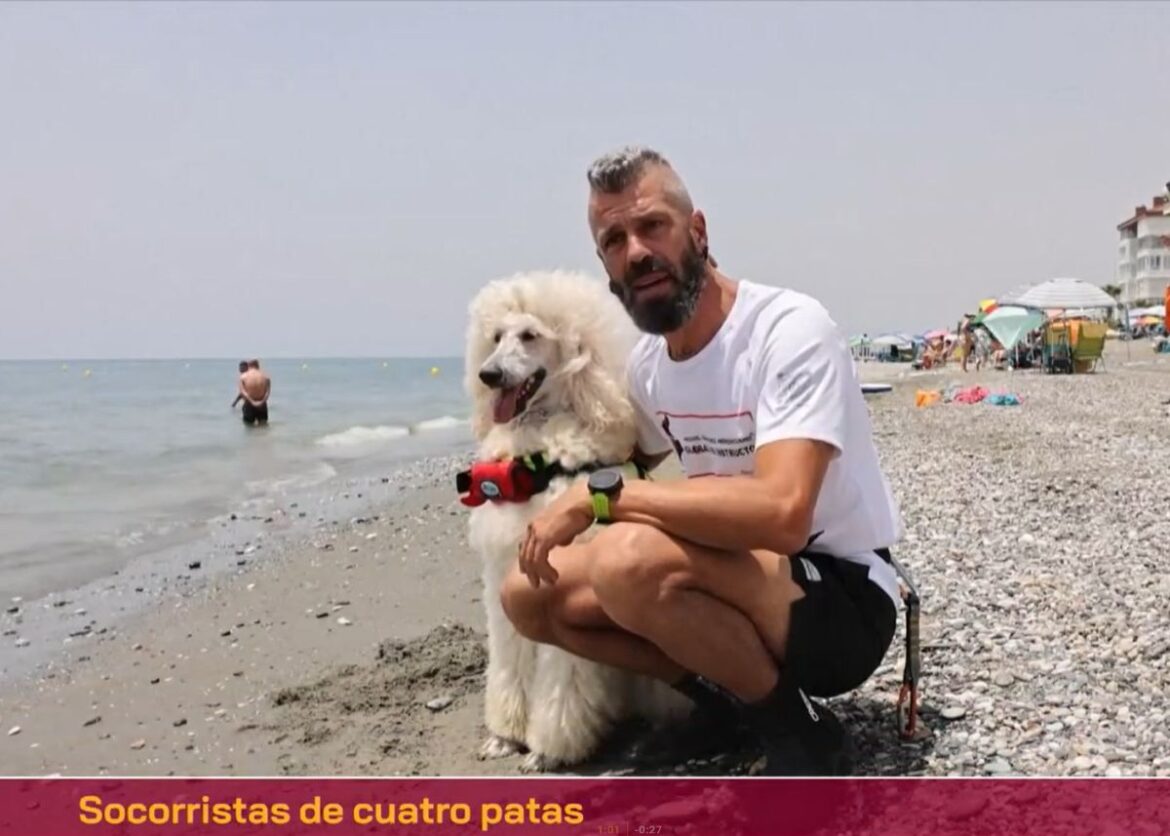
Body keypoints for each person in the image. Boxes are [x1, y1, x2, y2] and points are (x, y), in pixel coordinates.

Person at [499, 146, 903, 776]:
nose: (635, 250)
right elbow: (629, 455)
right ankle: (722, 704)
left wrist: (600, 499)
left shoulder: (786, 330)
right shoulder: (650, 369)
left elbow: (783, 514)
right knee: (529, 593)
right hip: (747, 578)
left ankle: (800, 731)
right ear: (604, 266)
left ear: (698, 231)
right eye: (613, 239)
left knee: (629, 557)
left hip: (842, 601)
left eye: (652, 225)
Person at [232, 359, 271, 426]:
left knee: (249, 428)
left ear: (248, 366)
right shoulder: (266, 377)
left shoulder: (243, 377)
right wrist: (262, 401)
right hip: (262, 405)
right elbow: (267, 392)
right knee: (263, 426)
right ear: (258, 365)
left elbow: (243, 392)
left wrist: (253, 402)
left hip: (249, 404)